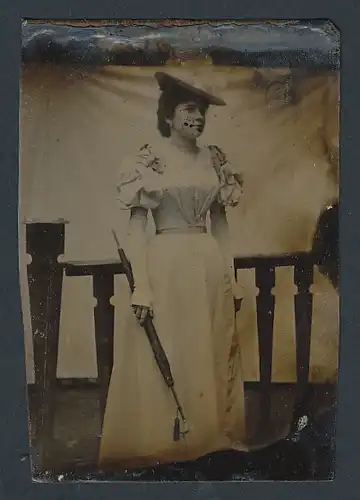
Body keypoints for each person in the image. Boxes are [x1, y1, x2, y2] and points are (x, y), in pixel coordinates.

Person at [98, 71, 247, 470]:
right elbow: (135, 229)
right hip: (167, 264)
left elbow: (221, 224)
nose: (196, 118)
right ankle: (167, 449)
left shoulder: (215, 160)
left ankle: (208, 442)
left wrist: (231, 277)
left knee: (210, 349)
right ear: (167, 116)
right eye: (188, 110)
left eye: (200, 112)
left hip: (209, 265)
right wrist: (141, 286)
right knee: (173, 351)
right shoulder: (149, 160)